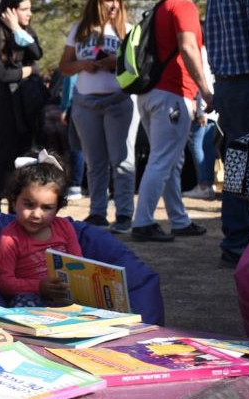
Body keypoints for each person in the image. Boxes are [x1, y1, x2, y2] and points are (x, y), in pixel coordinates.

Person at [130, 0, 212, 242]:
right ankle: (143, 222)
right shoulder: (183, 5)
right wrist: (205, 90)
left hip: (152, 93)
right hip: (172, 94)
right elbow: (188, 47)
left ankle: (179, 219)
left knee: (171, 161)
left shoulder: (160, 7)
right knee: (163, 160)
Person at [59, 0, 138, 234]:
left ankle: (124, 214)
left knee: (122, 160)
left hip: (118, 101)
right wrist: (82, 64)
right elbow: (64, 66)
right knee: (95, 163)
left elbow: (139, 67)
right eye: (107, 0)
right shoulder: (79, 30)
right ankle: (97, 213)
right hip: (85, 103)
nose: (112, 4)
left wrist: (117, 62)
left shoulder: (128, 30)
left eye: (117, 0)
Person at [205, 0, 249, 267]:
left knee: (239, 166)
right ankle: (245, 243)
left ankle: (237, 242)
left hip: (229, 86)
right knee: (247, 168)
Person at [0, 149, 81, 306]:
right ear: (14, 201)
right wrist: (39, 287)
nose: (36, 214)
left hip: (65, 297)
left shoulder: (64, 228)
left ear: (57, 208)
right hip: (30, 300)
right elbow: (3, 282)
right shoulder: (10, 238)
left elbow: (78, 266)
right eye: (29, 204)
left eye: (47, 207)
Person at [0, 0, 44, 213]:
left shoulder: (25, 32)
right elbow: (1, 74)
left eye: (30, 8)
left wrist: (17, 28)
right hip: (7, 106)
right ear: (10, 10)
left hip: (27, 105)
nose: (30, 13)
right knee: (2, 159)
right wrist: (27, 71)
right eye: (24, 9)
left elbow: (37, 53)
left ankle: (15, 209)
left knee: (23, 159)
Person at [183, 43, 218, 201]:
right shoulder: (211, 50)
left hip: (203, 107)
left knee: (196, 144)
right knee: (207, 147)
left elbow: (203, 81)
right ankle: (208, 184)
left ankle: (204, 185)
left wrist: (201, 110)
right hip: (211, 108)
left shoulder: (200, 52)